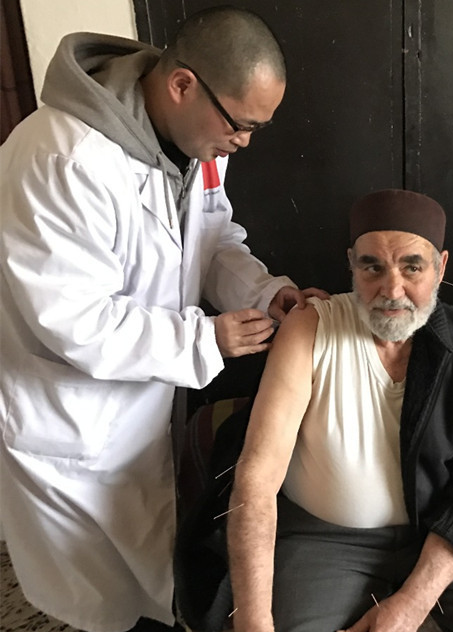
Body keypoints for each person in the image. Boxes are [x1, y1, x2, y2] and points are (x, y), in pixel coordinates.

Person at [0, 7, 325, 632]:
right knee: (98, 601)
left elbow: (211, 239)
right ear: (182, 85)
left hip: (139, 409)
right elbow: (74, 320)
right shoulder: (62, 158)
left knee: (146, 583)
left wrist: (264, 293)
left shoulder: (194, 141)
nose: (245, 143)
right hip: (72, 423)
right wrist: (205, 338)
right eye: (241, 125)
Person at [224, 189, 453, 632]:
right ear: (351, 264)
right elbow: (257, 476)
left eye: (412, 267)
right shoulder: (310, 329)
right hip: (325, 542)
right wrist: (253, 622)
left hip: (445, 535)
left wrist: (410, 605)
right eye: (372, 267)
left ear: (441, 267)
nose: (392, 290)